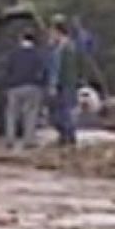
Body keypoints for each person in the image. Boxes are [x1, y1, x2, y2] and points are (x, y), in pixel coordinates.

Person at [3, 30, 49, 150]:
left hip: (14, 87)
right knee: (30, 114)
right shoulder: (38, 55)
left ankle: (10, 139)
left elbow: (7, 70)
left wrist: (7, 84)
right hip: (32, 87)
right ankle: (28, 140)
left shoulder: (13, 54)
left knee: (12, 114)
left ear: (21, 39)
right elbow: (43, 71)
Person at [47, 16, 81, 147]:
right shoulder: (67, 47)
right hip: (66, 83)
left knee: (63, 111)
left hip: (63, 84)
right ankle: (66, 136)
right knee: (62, 111)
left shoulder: (64, 49)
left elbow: (55, 68)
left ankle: (67, 136)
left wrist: (53, 84)